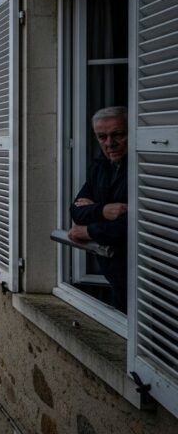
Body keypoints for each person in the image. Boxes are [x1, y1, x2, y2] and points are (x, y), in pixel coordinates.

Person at [68, 106, 128, 313]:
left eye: (118, 134)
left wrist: (89, 231)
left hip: (146, 277)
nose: (110, 144)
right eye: (102, 137)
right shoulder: (100, 166)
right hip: (115, 275)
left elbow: (135, 224)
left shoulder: (143, 168)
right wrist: (103, 211)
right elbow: (76, 211)